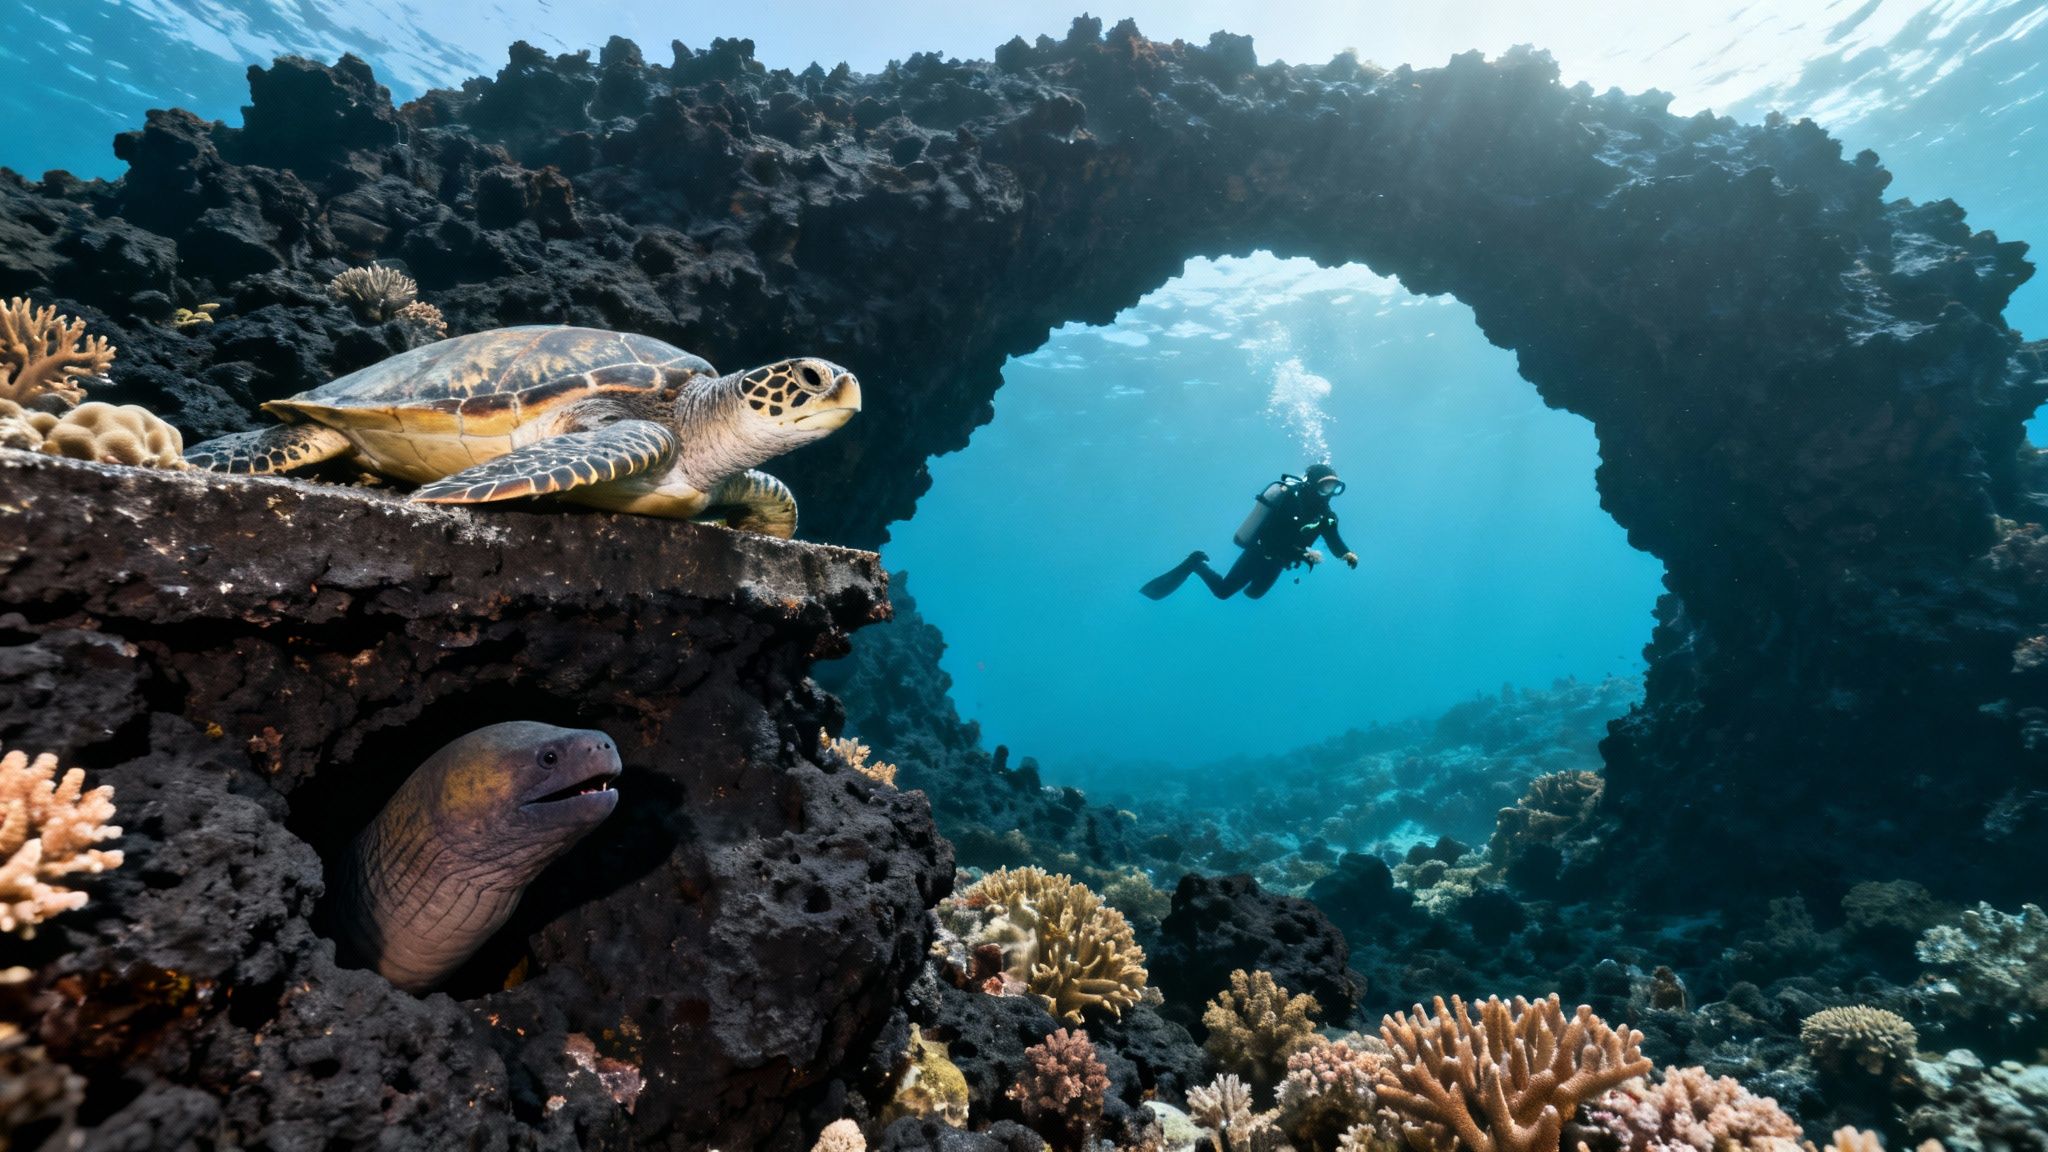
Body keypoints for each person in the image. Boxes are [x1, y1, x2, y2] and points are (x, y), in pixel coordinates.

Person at [1141, 462, 1359, 601]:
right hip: (1260, 551)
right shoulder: (1291, 502)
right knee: (1223, 592)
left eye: (1334, 488)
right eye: (1325, 485)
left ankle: (1200, 566)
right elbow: (1273, 537)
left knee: (1254, 594)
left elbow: (1334, 540)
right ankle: (1196, 563)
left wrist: (1346, 555)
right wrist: (1301, 554)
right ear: (1312, 484)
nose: (1329, 492)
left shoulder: (1327, 516)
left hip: (1279, 561)